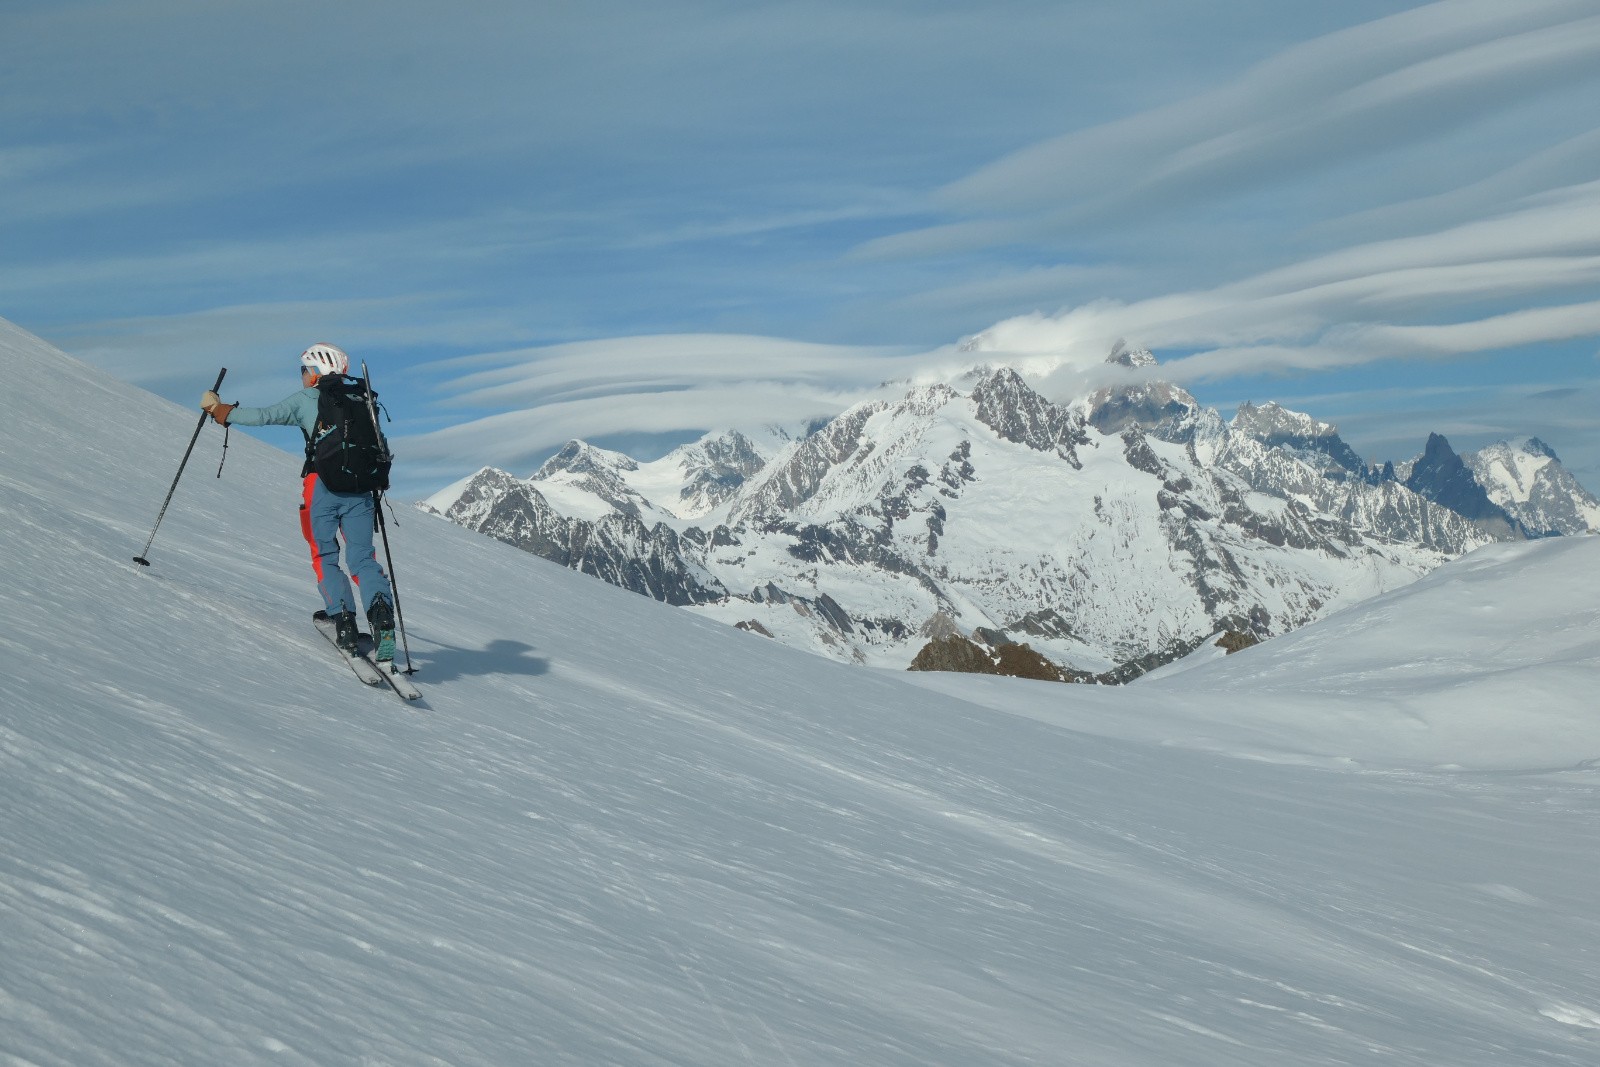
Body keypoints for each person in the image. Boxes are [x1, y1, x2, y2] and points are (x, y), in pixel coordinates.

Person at [201, 343, 396, 658]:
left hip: (321, 487)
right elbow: (380, 447)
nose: (302, 376)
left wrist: (219, 410)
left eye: (305, 370)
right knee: (363, 560)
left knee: (325, 556)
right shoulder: (363, 400)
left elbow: (264, 416)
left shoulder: (308, 398)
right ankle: (381, 615)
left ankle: (344, 621)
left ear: (317, 370)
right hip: (361, 491)